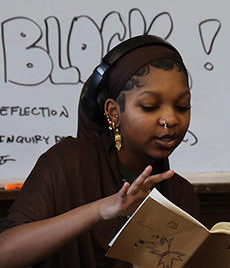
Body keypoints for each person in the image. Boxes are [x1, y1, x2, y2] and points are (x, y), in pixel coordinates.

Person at [0, 35, 200, 268]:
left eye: (182, 106)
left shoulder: (179, 194)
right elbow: (5, 253)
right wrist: (103, 209)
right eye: (150, 107)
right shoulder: (68, 163)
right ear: (113, 112)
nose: (171, 119)